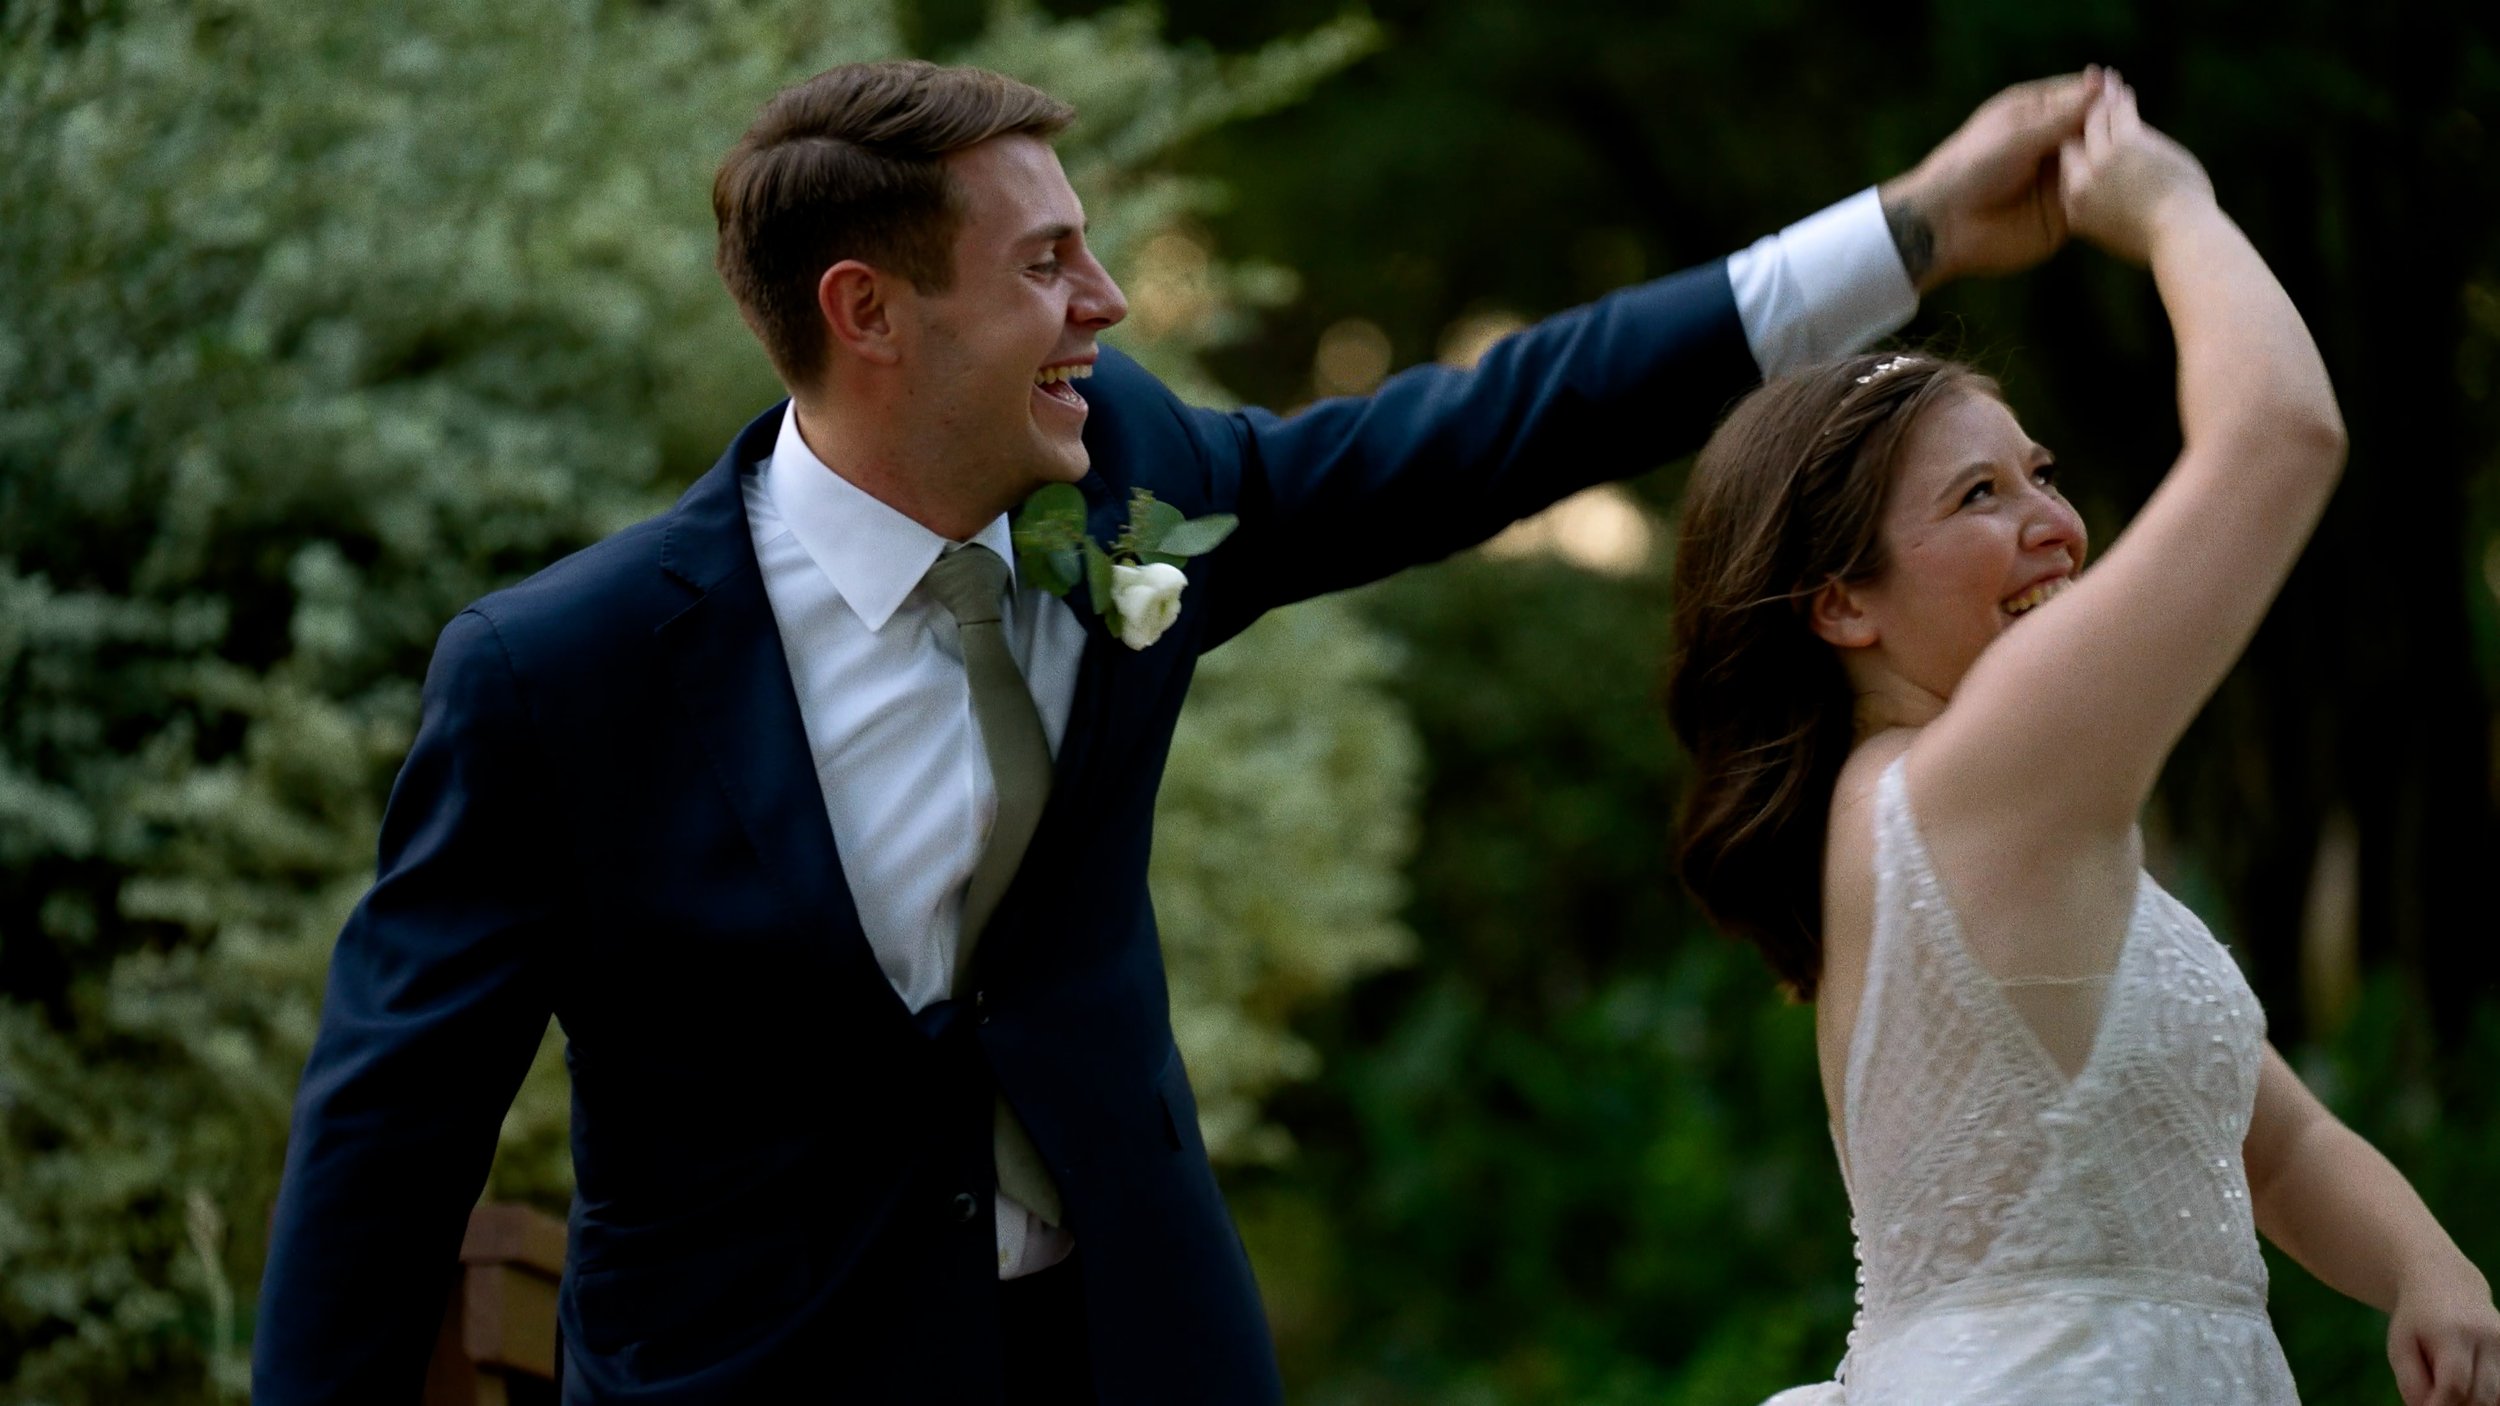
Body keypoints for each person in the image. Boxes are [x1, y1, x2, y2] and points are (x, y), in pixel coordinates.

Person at [253, 58, 2105, 1405]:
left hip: (1139, 1352)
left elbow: (1488, 429)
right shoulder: (560, 676)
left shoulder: (1128, 470)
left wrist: (1914, 227)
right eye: (1050, 263)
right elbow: (386, 1136)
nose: (1110, 301)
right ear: (867, 312)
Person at [1668, 78, 2500, 1405]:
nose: (2053, 520)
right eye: (1980, 494)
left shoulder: (2009, 817)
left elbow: (2270, 1143)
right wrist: (2168, 205)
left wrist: (2427, 1263)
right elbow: (2278, 432)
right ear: (1842, 602)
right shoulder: (1969, 779)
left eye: (2041, 472)